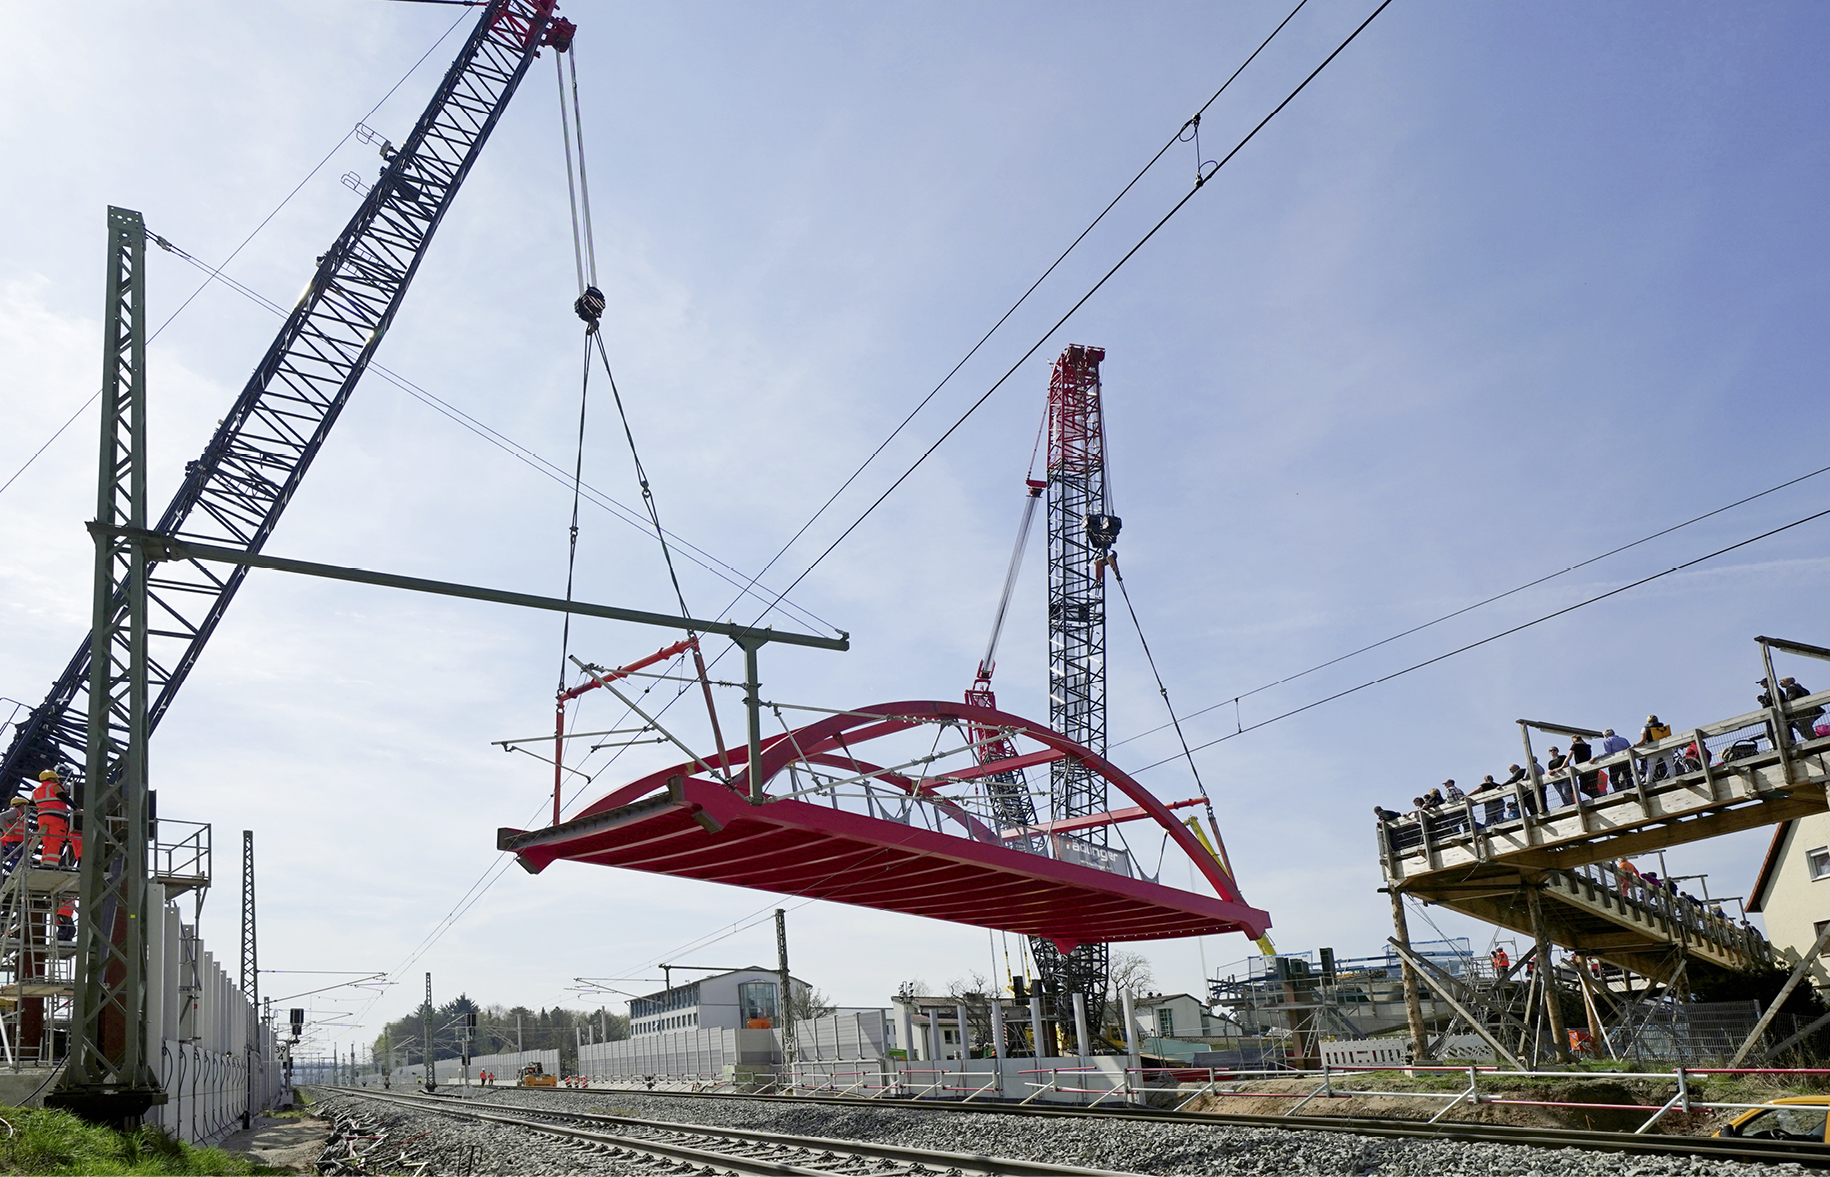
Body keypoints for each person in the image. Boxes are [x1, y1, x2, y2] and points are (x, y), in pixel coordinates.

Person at [32, 770, 74, 869]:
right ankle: (51, 862)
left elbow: (31, 804)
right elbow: (64, 798)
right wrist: (76, 808)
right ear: (52, 778)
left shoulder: (36, 791)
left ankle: (45, 861)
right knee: (57, 839)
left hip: (42, 817)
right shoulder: (54, 786)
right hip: (56, 816)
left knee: (47, 840)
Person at [1782, 677, 1825, 744]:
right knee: (1806, 727)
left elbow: (1790, 698)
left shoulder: (1791, 688)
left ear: (1788, 681)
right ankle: (1813, 739)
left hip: (1801, 711)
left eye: (1782, 682)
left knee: (1804, 728)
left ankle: (1814, 741)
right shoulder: (1800, 687)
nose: (1780, 684)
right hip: (1809, 710)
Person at [1637, 714, 1674, 781]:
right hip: (1665, 748)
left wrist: (1635, 746)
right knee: (1670, 765)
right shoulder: (1662, 727)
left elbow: (1643, 741)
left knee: (1651, 768)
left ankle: (1648, 781)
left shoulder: (1645, 728)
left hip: (1653, 750)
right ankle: (1673, 778)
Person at [0, 797, 29, 873]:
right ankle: (17, 877)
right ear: (22, 805)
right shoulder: (14, 812)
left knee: (20, 862)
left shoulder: (19, 815)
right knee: (17, 862)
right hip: (14, 841)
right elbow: (1, 817)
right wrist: (7, 831)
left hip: (18, 841)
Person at [1569, 734, 1600, 798]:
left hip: (1582, 768)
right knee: (1593, 785)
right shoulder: (1587, 746)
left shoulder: (1575, 745)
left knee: (1583, 788)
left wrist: (1562, 766)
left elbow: (1569, 756)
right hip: (1590, 766)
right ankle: (1597, 796)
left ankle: (1595, 796)